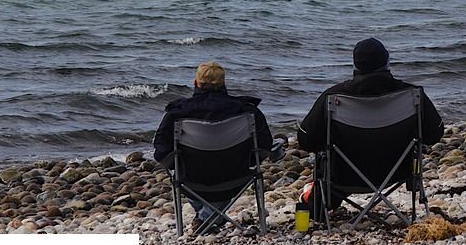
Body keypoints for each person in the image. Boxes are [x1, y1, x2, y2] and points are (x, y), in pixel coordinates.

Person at [297, 38, 443, 220]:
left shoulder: (333, 97)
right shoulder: (412, 95)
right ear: (387, 61)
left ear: (355, 64)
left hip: (344, 176)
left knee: (325, 157)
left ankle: (313, 203)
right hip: (398, 171)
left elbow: (306, 140)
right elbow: (434, 133)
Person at [153, 61, 284, 232]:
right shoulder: (247, 111)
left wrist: (173, 163)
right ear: (223, 83)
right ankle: (209, 217)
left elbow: (161, 151)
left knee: (176, 165)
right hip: (236, 177)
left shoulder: (177, 113)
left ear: (195, 83)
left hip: (191, 180)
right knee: (232, 165)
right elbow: (265, 145)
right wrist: (249, 158)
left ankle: (205, 216)